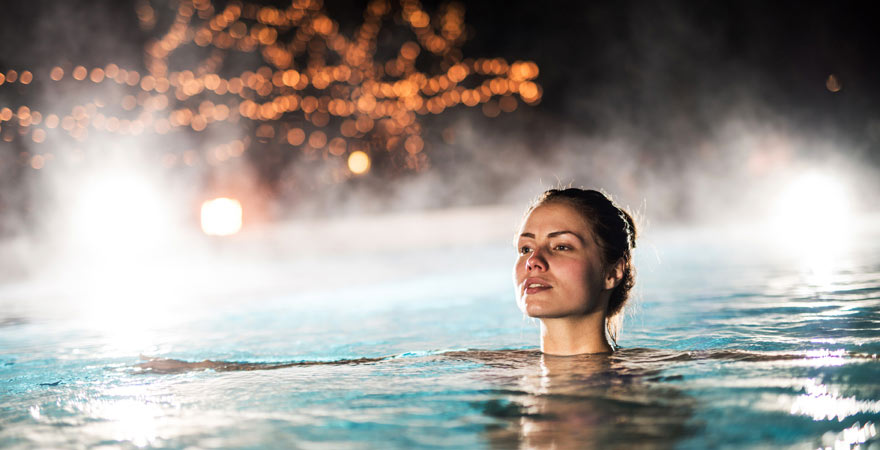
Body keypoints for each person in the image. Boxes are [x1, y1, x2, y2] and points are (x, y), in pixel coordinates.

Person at [513, 187, 637, 355]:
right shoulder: (491, 371)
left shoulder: (648, 378)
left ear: (612, 273)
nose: (533, 260)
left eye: (561, 247)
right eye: (526, 249)